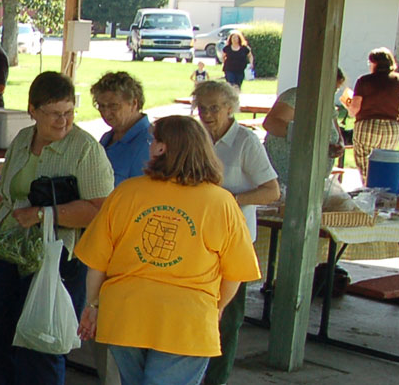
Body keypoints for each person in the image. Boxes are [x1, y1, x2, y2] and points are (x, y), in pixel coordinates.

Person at [75, 115, 261, 385]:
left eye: (153, 140)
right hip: (188, 321)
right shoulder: (221, 202)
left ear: (162, 149)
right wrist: (216, 308)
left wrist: (92, 305)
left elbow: (97, 263)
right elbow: (235, 273)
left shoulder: (126, 192)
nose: (150, 146)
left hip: (125, 314)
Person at [0, 72, 114, 385]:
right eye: (54, 113)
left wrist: (45, 214)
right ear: (33, 110)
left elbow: (102, 211)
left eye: (69, 112)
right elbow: (7, 194)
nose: (63, 121)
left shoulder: (85, 149)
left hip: (58, 262)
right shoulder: (21, 139)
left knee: (41, 347)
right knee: (1, 337)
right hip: (7, 255)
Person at [194, 80, 279, 385]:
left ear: (230, 107)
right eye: (201, 107)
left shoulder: (245, 141)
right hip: (197, 238)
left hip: (234, 240)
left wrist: (231, 200)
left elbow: (271, 192)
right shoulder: (197, 137)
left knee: (227, 316)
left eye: (214, 107)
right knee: (195, 311)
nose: (207, 114)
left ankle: (216, 379)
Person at [263, 68, 347, 194]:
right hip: (287, 173)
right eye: (331, 88)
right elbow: (271, 123)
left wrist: (339, 144)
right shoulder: (295, 96)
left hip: (313, 177)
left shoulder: (326, 101)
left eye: (335, 90)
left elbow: (335, 130)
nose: (332, 92)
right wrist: (306, 138)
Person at [345, 48, 399, 185]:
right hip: (391, 128)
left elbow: (355, 108)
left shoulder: (364, 81)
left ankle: (368, 189)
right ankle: (384, 193)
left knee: (366, 165)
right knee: (384, 161)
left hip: (367, 125)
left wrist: (349, 108)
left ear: (374, 63)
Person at [92, 71, 154, 185]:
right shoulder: (107, 138)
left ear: (133, 103)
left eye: (113, 106)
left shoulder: (149, 144)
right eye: (101, 106)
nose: (106, 113)